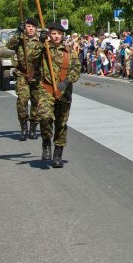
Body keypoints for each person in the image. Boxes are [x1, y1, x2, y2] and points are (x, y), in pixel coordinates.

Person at [37, 22, 80, 168]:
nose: (56, 36)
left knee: (61, 124)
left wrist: (67, 80)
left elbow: (76, 69)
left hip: (64, 92)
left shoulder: (69, 51)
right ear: (49, 34)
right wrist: (40, 41)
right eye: (53, 33)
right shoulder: (43, 49)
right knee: (44, 116)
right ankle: (46, 141)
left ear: (63, 35)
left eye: (59, 34)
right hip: (46, 89)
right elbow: (31, 57)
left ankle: (58, 154)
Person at [7, 18, 43, 141]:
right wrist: (18, 32)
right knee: (22, 100)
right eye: (28, 26)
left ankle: (33, 127)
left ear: (36, 28)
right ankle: (23, 127)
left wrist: (44, 41)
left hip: (37, 75)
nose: (31, 28)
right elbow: (9, 45)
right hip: (22, 74)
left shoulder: (41, 40)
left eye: (33, 26)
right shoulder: (20, 39)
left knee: (36, 102)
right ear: (25, 28)